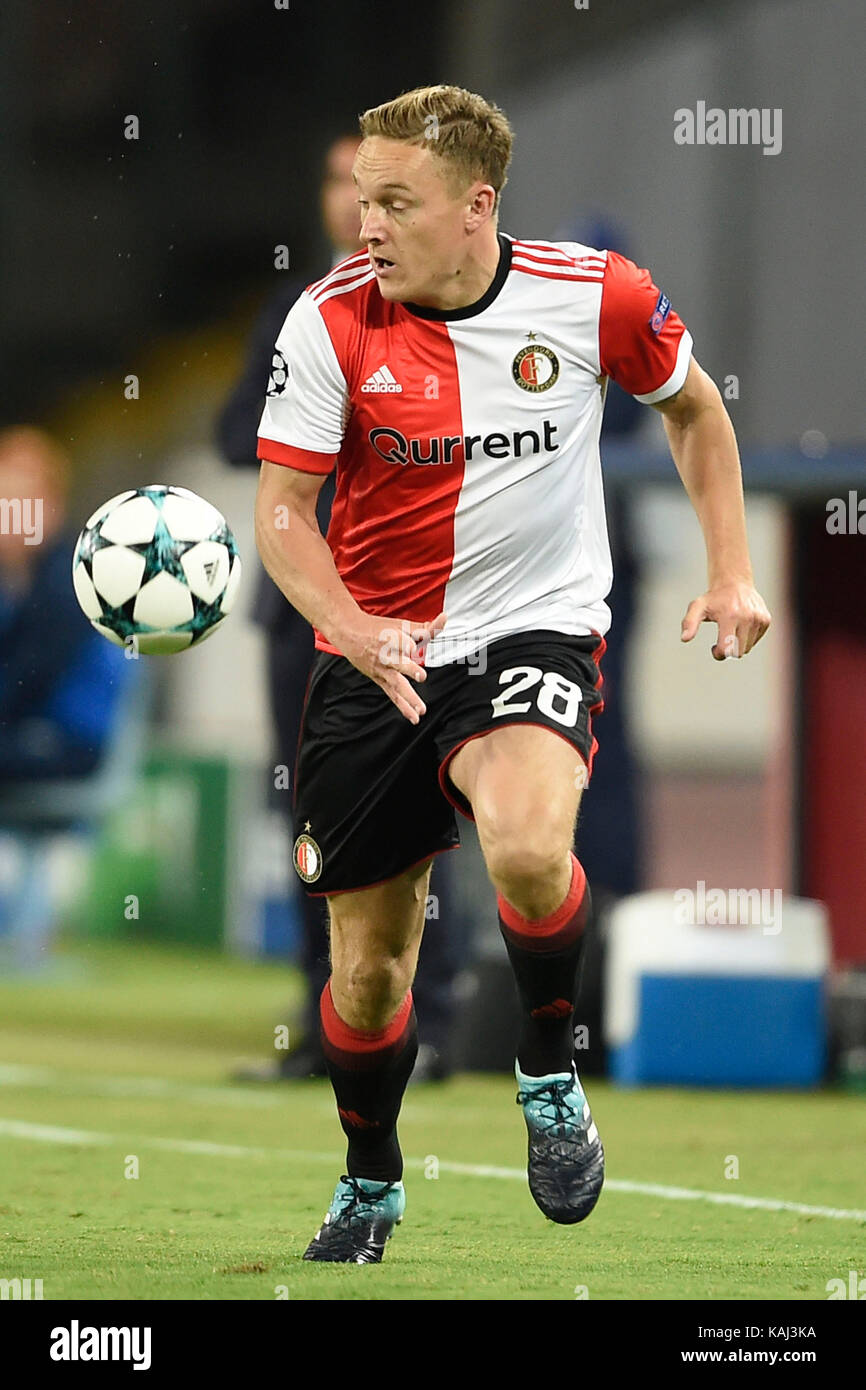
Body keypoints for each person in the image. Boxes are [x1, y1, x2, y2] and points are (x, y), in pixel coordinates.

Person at [254, 85, 771, 1263]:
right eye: (361, 199)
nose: (365, 224)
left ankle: (547, 1074)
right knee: (372, 975)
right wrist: (350, 620)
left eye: (394, 200)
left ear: (476, 204)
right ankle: (371, 1176)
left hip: (530, 630)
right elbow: (280, 512)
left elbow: (692, 409)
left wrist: (731, 569)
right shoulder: (328, 322)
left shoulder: (593, 296)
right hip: (371, 653)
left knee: (532, 849)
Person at [218, 133, 458, 1082]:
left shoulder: (452, 307)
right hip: (303, 618)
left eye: (380, 189)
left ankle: (429, 1022)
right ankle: (325, 1025)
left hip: (425, 613)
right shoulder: (299, 310)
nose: (357, 205)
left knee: (437, 816)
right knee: (316, 821)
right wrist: (318, 434)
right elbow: (237, 430)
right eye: (341, 184)